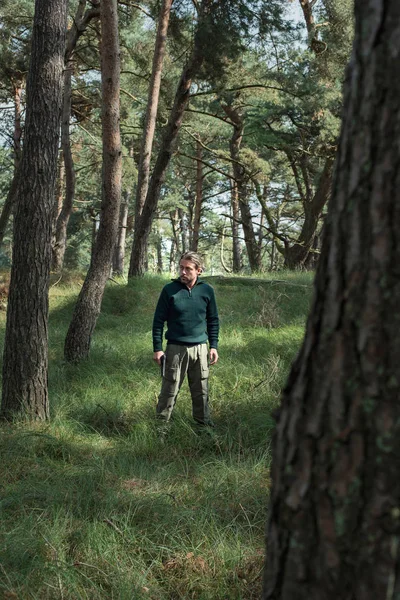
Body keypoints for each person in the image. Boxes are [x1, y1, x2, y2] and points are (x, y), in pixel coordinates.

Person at [152, 251, 219, 427]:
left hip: (201, 349)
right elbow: (158, 321)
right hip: (175, 349)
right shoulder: (169, 290)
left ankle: (203, 429)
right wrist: (158, 348)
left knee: (201, 392)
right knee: (169, 391)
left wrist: (213, 346)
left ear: (199, 270)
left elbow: (213, 320)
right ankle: (160, 429)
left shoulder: (207, 291)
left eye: (188, 269)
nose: (182, 272)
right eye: (181, 267)